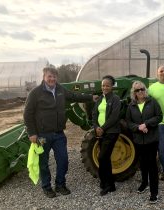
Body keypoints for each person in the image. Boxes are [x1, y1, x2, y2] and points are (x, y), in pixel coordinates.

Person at [23, 66, 98, 198]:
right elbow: (27, 114)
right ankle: (46, 187)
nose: (52, 79)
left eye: (54, 76)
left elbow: (74, 96)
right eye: (49, 76)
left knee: (63, 160)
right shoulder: (35, 93)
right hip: (42, 135)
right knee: (43, 162)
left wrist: (90, 98)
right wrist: (32, 133)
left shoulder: (60, 89)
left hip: (58, 134)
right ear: (44, 77)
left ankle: (60, 184)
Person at [126, 81, 162, 204]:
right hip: (138, 140)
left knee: (152, 165)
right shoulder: (131, 106)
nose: (140, 91)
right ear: (134, 93)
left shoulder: (153, 102)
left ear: (145, 90)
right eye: (137, 90)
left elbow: (159, 116)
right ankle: (144, 183)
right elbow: (129, 122)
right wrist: (138, 127)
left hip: (151, 139)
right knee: (142, 163)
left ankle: (154, 192)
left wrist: (146, 124)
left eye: (142, 89)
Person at [92, 75, 121, 196]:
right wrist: (96, 127)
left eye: (107, 85)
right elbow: (94, 114)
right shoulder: (100, 99)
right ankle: (107, 182)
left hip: (111, 132)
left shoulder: (115, 99)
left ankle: (109, 184)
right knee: (104, 157)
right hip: (100, 132)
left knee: (102, 157)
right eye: (103, 85)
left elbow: (114, 117)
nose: (105, 87)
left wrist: (102, 128)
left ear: (112, 86)